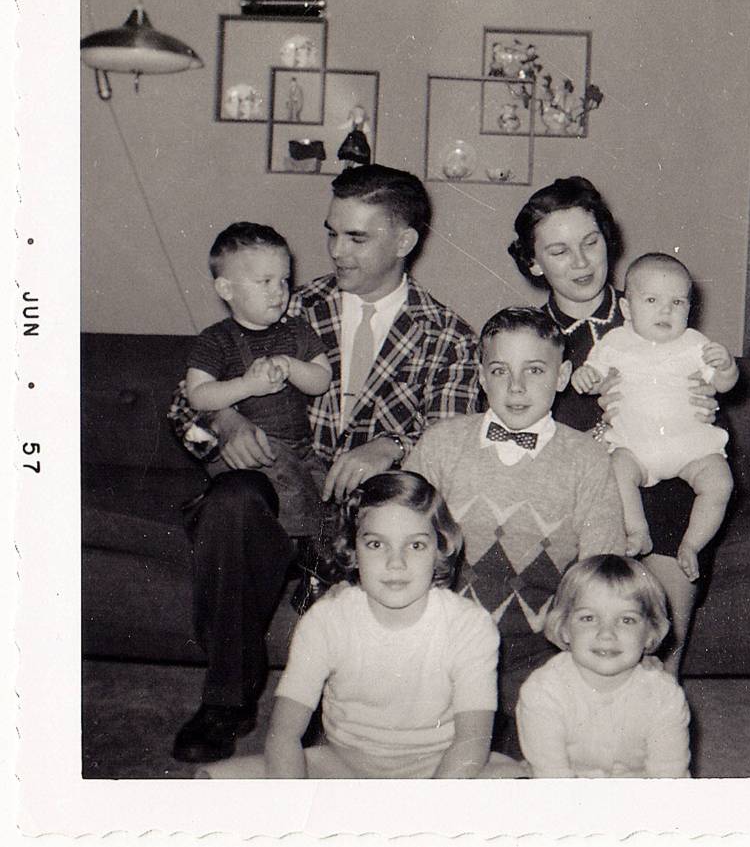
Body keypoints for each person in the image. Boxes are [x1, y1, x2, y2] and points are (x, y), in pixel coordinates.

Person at [166, 164, 478, 764]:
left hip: (369, 516)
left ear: (405, 241)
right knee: (233, 500)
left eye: (355, 238)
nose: (335, 251)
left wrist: (392, 446)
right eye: (331, 232)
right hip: (274, 496)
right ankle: (226, 700)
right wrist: (225, 423)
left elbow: (452, 441)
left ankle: (334, 710)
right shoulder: (286, 304)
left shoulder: (450, 338)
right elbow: (184, 401)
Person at [507, 176, 720, 676]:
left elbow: (704, 415)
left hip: (661, 487)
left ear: (609, 240)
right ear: (534, 263)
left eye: (591, 243)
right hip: (567, 488)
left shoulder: (656, 305)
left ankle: (653, 725)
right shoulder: (525, 336)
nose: (581, 263)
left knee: (658, 631)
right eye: (559, 251)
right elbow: (510, 430)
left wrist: (707, 401)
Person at [404, 306, 626, 758]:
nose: (517, 387)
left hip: (538, 648)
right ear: (482, 377)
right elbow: (403, 541)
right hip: (444, 643)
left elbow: (600, 568)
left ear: (563, 375)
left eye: (535, 370)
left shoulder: (587, 459)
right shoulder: (442, 443)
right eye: (500, 371)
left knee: (542, 767)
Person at [197, 471, 505, 779]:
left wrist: (424, 813)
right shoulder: (326, 620)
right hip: (342, 765)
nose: (395, 563)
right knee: (212, 784)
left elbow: (471, 743)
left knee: (514, 785)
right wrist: (293, 811)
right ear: (352, 550)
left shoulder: (470, 626)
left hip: (441, 766)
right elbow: (284, 734)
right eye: (375, 544)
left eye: (415, 546)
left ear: (440, 549)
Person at [571, 252, 737, 585]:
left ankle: (691, 544)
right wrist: (585, 377)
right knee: (618, 468)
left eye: (678, 302)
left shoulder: (695, 344)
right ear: (627, 309)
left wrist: (727, 367)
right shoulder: (615, 342)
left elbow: (723, 385)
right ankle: (638, 530)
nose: (666, 309)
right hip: (636, 447)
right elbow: (593, 375)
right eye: (652, 300)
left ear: (690, 309)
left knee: (720, 482)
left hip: (690, 447)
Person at [185, 222, 333, 538]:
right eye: (264, 281)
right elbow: (197, 395)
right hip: (251, 452)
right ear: (226, 289)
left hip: (302, 449)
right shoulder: (215, 340)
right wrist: (247, 386)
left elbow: (321, 380)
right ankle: (293, 554)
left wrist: (291, 366)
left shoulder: (297, 330)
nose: (278, 291)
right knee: (291, 502)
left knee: (323, 498)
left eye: (283, 280)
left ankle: (313, 559)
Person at [515, 554, 691, 778]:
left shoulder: (664, 696)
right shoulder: (543, 692)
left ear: (650, 633)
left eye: (626, 620)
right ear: (564, 628)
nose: (606, 634)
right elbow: (553, 780)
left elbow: (669, 779)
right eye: (588, 618)